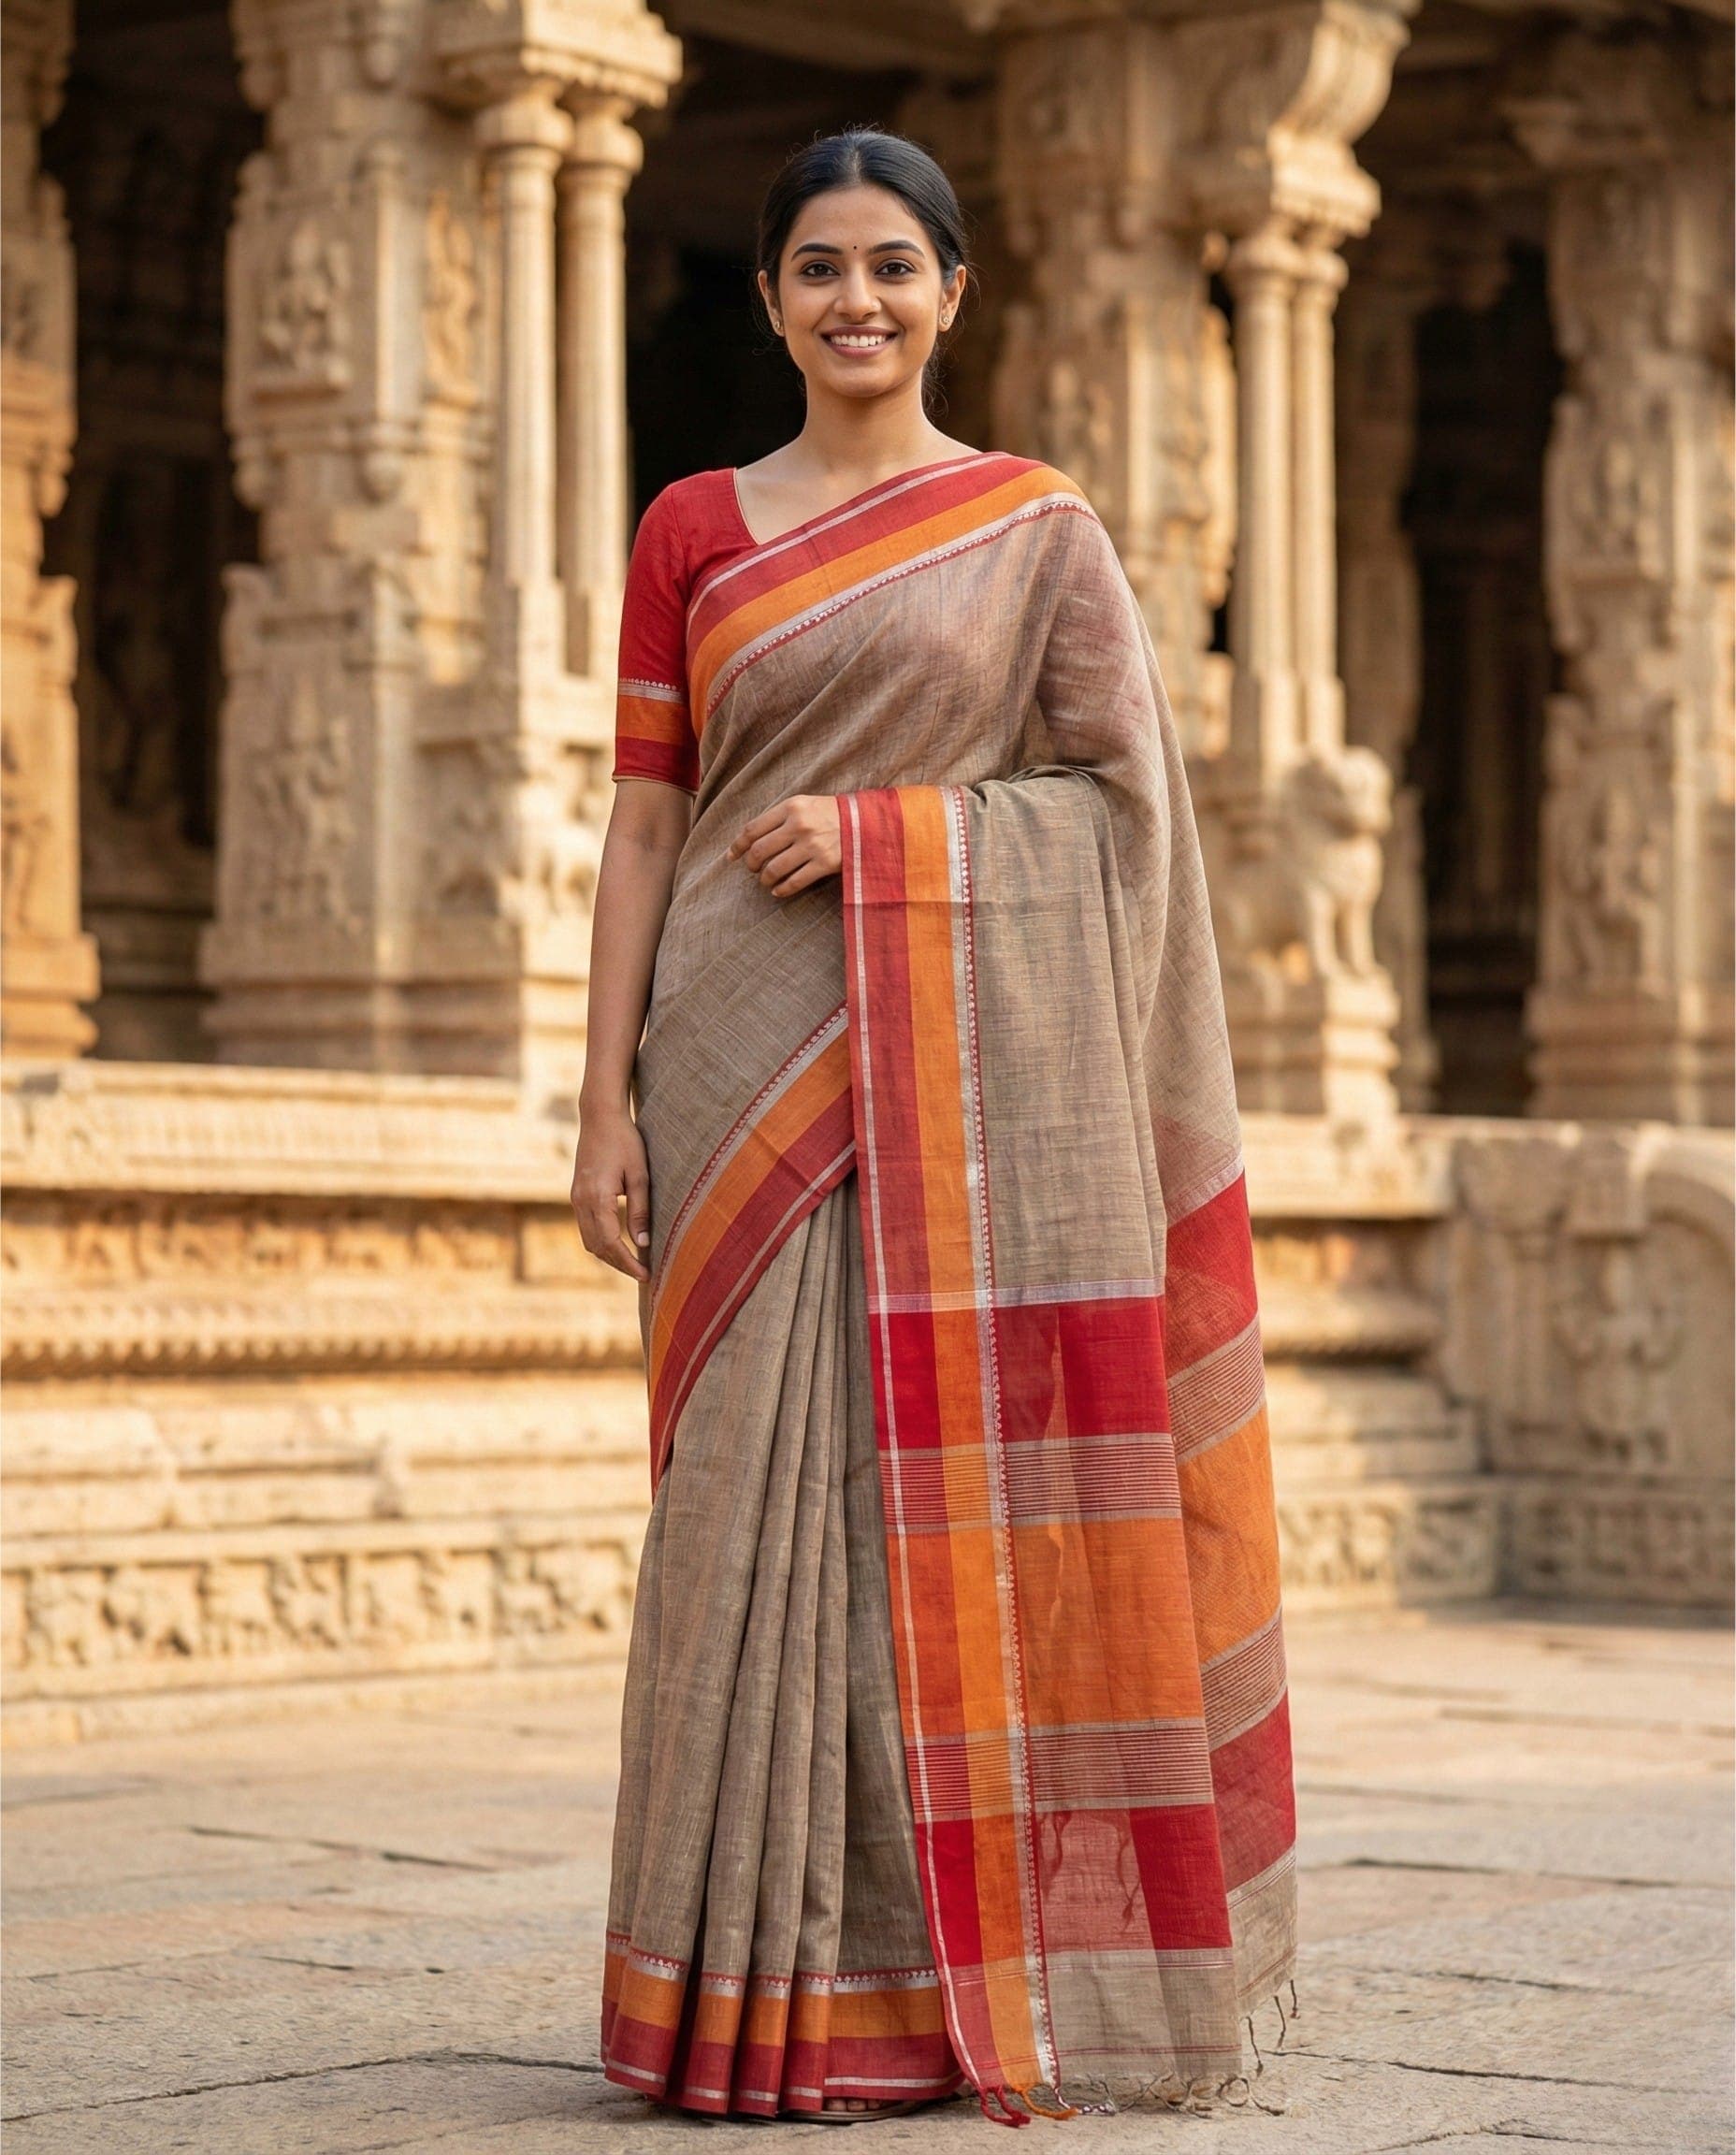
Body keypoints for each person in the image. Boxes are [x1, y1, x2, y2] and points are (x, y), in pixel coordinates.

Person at [572, 125, 1297, 2128]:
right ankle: (725, 1993)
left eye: (894, 266)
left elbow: (1121, 812)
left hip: (947, 1084)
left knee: (916, 1522)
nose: (857, 302)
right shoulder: (692, 527)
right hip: (725, 1065)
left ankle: (898, 1996)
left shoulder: (1033, 529)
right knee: (735, 1519)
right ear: (771, 299)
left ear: (952, 293)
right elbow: (644, 822)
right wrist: (594, 1102)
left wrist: (897, 844)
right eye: (818, 269)